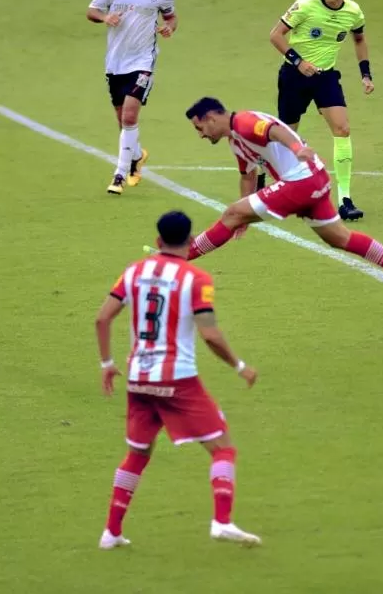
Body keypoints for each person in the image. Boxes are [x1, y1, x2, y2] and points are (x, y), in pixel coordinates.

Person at [94, 210, 261, 549]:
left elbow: (102, 318)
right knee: (223, 447)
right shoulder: (196, 279)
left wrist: (108, 363)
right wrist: (239, 365)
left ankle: (111, 532)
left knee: (137, 455)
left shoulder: (133, 272)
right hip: (177, 380)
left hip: (138, 379)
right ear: (190, 240)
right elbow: (210, 335)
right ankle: (222, 522)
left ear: (157, 242)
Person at [183, 97, 383, 301]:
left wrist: (298, 148)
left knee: (232, 214)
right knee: (340, 238)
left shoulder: (245, 123)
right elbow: (248, 176)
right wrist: (243, 217)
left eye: (199, 128)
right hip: (314, 178)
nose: (200, 135)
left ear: (211, 118)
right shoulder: (236, 141)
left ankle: (186, 253)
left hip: (300, 180)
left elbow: (275, 132)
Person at [267, 0, 373, 221]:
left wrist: (366, 74)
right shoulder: (304, 5)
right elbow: (276, 35)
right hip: (294, 76)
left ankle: (345, 200)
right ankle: (265, 173)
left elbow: (359, 39)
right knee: (286, 135)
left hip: (325, 77)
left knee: (343, 129)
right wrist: (298, 62)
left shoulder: (353, 11)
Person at [87, 0, 177, 195]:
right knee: (121, 119)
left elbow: (171, 17)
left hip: (143, 62)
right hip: (115, 63)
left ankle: (119, 176)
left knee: (129, 117)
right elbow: (92, 11)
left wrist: (170, 28)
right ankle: (137, 156)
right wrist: (105, 18)